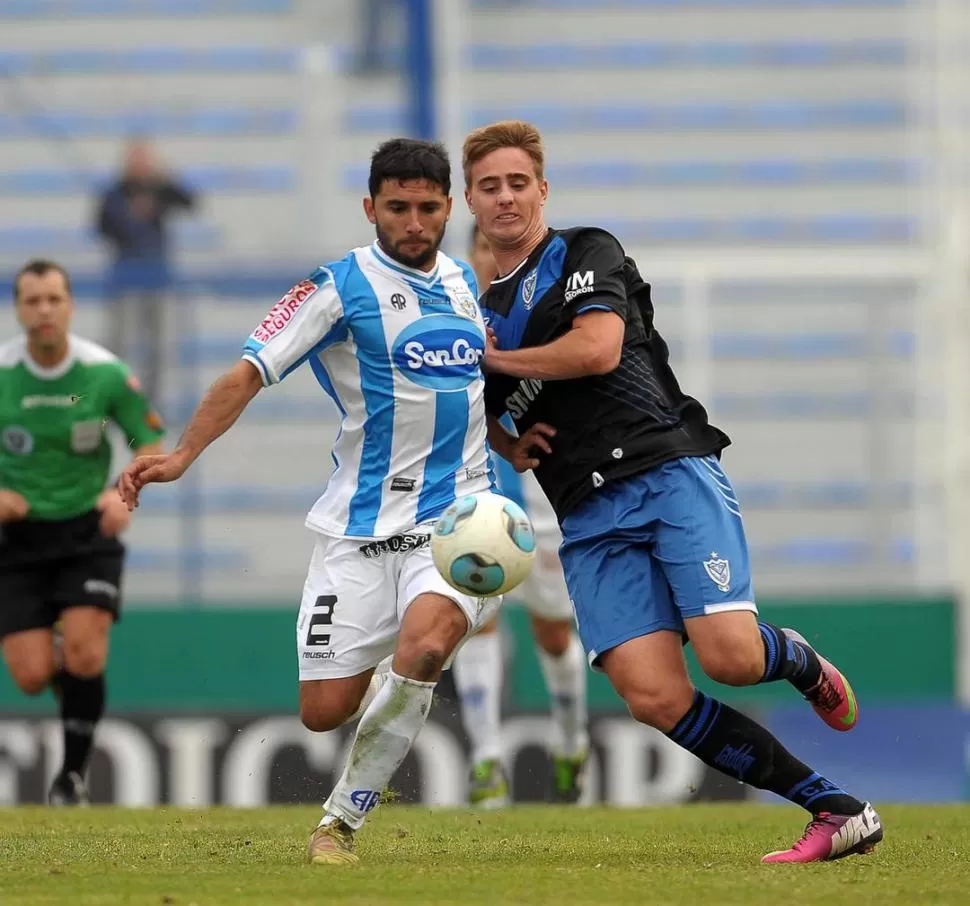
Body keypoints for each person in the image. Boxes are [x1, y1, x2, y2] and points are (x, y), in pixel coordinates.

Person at [464, 120, 883, 864]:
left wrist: (498, 360)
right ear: (470, 198)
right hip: (587, 518)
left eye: (517, 183)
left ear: (542, 189)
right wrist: (505, 439)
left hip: (664, 470)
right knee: (652, 698)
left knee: (728, 660)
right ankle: (836, 810)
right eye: (489, 186)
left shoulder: (584, 251)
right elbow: (471, 405)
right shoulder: (469, 316)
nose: (504, 198)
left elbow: (598, 349)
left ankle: (795, 659)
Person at [118, 139, 501, 866]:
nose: (415, 222)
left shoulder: (467, 284)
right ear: (371, 208)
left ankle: (338, 825)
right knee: (323, 714)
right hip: (355, 535)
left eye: (428, 207)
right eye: (398, 208)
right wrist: (179, 456)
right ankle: (398, 677)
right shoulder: (336, 286)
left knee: (426, 642)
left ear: (449, 208)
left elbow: (491, 391)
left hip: (454, 524)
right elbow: (246, 374)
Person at [0, 259, 165, 805]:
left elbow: (149, 441)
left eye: (54, 299)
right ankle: (59, 647)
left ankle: (70, 778)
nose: (44, 310)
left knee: (87, 656)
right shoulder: (2, 374)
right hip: (17, 539)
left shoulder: (105, 375)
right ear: (20, 308)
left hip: (87, 531)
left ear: (69, 305)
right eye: (33, 301)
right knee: (30, 676)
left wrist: (122, 494)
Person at [451, 225, 588, 808]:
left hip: (536, 495)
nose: (488, 256)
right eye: (479, 246)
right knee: (475, 620)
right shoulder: (450, 319)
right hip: (467, 495)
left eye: (494, 247)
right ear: (471, 253)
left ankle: (571, 739)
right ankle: (486, 761)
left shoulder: (533, 316)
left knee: (552, 630)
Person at [95, 139, 196, 404]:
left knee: (155, 346)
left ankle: (151, 400)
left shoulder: (160, 189)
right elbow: (101, 227)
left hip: (156, 278)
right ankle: (114, 396)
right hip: (124, 278)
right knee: (118, 341)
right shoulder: (115, 193)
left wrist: (167, 178)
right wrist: (127, 217)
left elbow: (189, 202)